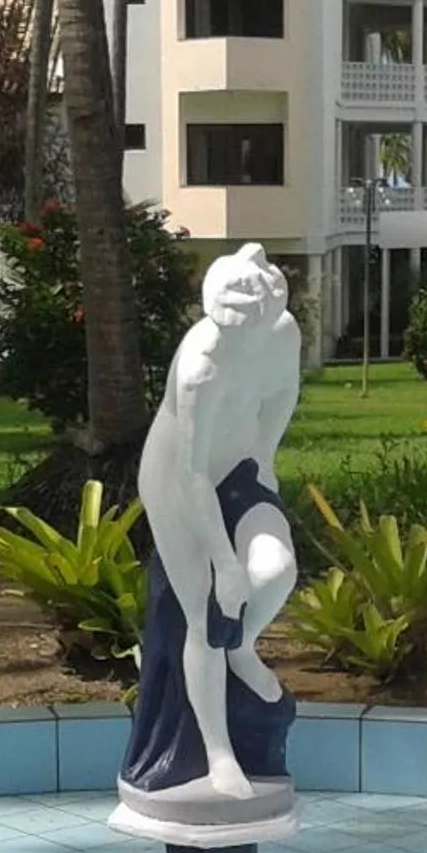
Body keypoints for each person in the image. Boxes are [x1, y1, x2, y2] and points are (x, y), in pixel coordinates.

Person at [120, 244, 300, 805]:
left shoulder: (283, 332)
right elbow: (193, 475)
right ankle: (217, 750)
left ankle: (240, 646)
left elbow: (282, 396)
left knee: (277, 570)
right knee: (206, 614)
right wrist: (224, 564)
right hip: (178, 478)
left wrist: (265, 457)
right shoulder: (201, 365)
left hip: (241, 460)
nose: (237, 332)